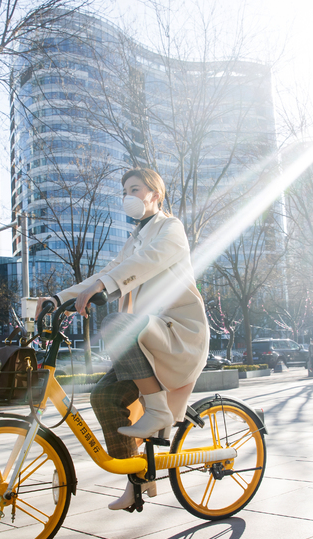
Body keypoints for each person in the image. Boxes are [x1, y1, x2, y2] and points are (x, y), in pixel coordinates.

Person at [37, 168, 208, 511]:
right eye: (124, 190)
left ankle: (158, 411)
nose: (128, 195)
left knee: (116, 322)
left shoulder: (170, 229)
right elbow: (107, 272)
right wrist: (58, 299)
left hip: (177, 333)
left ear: (155, 195)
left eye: (135, 188)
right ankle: (138, 480)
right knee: (103, 397)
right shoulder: (135, 238)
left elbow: (146, 263)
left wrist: (104, 287)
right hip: (147, 340)